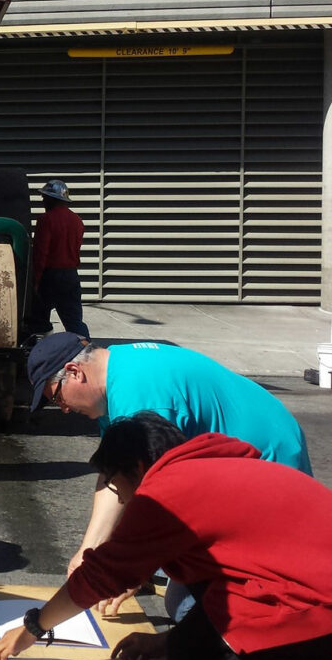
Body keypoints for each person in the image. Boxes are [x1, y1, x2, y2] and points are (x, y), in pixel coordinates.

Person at [0, 412, 332, 660]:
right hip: (301, 590)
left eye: (114, 484)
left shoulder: (168, 491)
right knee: (187, 642)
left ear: (138, 468)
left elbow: (102, 575)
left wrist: (33, 628)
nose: (120, 498)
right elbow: (233, 590)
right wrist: (169, 642)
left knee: (195, 655)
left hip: (317, 616)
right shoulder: (219, 469)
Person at [27, 331, 312, 620]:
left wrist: (130, 570)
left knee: (187, 605)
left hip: (267, 462)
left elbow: (160, 500)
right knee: (171, 565)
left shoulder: (140, 397)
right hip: (235, 462)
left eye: (57, 397)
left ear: (74, 372)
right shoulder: (113, 373)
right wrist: (89, 552)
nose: (63, 409)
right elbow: (117, 474)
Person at [28, 179, 89, 338]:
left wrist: (35, 282)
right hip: (71, 275)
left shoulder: (45, 219)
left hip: (50, 276)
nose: (42, 200)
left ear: (52, 199)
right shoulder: (77, 220)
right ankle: (86, 351)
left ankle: (42, 351)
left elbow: (41, 254)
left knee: (39, 319)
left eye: (44, 197)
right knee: (74, 320)